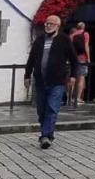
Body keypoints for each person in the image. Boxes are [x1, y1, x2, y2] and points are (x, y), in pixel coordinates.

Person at [24, 15, 78, 149]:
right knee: (41, 110)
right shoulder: (40, 40)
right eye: (47, 23)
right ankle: (48, 134)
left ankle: (45, 136)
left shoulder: (64, 40)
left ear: (58, 26)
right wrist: (27, 75)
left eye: (51, 24)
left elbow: (74, 60)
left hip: (57, 81)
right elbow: (31, 58)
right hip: (41, 81)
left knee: (52, 109)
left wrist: (73, 76)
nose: (48, 26)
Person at [69, 22, 90, 106]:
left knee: (73, 77)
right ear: (83, 27)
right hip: (82, 58)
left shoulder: (72, 35)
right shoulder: (85, 34)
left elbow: (70, 48)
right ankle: (78, 98)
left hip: (73, 59)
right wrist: (88, 58)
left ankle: (70, 98)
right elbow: (86, 46)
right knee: (81, 78)